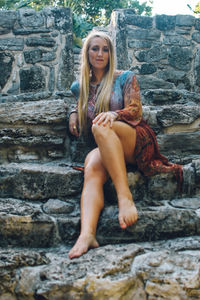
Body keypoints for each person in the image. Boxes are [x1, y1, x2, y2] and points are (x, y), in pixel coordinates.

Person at [68, 30, 182, 259]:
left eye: (105, 49)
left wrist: (114, 115)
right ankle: (87, 234)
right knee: (91, 166)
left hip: (134, 138)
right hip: (106, 145)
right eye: (95, 48)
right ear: (87, 52)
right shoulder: (80, 86)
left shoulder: (125, 77)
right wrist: (73, 112)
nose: (100, 54)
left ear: (110, 53)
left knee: (100, 125)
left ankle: (124, 197)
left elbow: (136, 110)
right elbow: (79, 103)